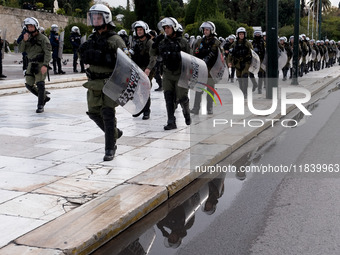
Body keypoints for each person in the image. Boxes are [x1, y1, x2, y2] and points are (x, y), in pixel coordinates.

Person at [79, 4, 127, 161]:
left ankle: (110, 148)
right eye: (93, 17)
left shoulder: (116, 40)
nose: (95, 20)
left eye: (99, 17)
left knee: (107, 114)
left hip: (109, 82)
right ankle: (113, 133)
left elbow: (126, 63)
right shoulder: (91, 39)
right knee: (93, 113)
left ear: (106, 18)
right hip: (93, 83)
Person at [151, 17, 191, 130]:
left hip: (180, 73)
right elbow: (152, 53)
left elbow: (191, 58)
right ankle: (171, 121)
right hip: (167, 73)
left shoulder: (183, 42)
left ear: (174, 27)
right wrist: (155, 42)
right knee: (168, 97)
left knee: (182, 97)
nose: (166, 30)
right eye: (164, 28)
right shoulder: (162, 42)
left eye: (168, 27)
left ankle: (186, 112)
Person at [18, 17, 51, 113]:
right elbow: (21, 50)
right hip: (31, 63)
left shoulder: (43, 38)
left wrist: (45, 65)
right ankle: (44, 97)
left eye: (31, 26)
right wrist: (24, 40)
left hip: (40, 64)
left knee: (40, 84)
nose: (30, 28)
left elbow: (48, 53)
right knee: (28, 84)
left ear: (36, 26)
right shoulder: (27, 38)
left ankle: (40, 105)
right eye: (28, 27)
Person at [191, 21, 221, 115]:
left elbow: (220, 57)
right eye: (204, 29)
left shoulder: (216, 43)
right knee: (198, 89)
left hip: (211, 70)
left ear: (212, 30)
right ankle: (196, 108)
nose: (205, 31)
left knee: (210, 90)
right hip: (201, 69)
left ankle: (209, 108)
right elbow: (195, 53)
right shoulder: (199, 41)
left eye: (207, 29)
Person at [130, 20, 156, 120]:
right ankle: (138, 107)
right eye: (137, 30)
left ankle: (146, 111)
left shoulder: (150, 43)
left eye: (141, 30)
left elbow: (153, 57)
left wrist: (148, 69)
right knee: (133, 89)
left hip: (147, 69)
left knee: (145, 90)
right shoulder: (135, 42)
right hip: (137, 68)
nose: (139, 32)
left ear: (145, 30)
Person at [228, 27, 253, 99]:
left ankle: (245, 92)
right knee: (239, 78)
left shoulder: (248, 43)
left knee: (244, 76)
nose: (241, 35)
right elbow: (230, 53)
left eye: (243, 34)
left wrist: (253, 63)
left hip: (246, 62)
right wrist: (229, 62)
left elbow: (253, 53)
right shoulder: (234, 44)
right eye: (240, 34)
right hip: (237, 63)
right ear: (237, 35)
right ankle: (241, 91)